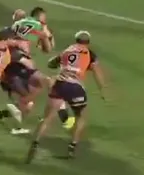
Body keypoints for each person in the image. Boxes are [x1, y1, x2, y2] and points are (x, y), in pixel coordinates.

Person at [25, 30, 107, 162]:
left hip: (59, 84)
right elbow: (96, 71)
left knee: (47, 118)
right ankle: (72, 147)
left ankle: (35, 144)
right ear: (88, 42)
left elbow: (51, 63)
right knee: (81, 116)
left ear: (76, 40)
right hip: (75, 87)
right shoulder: (89, 53)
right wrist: (102, 89)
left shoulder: (67, 50)